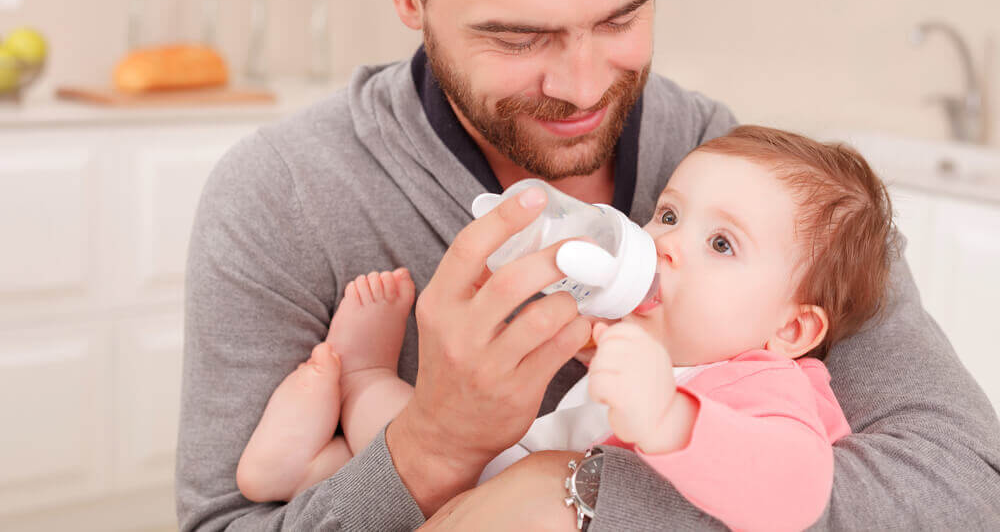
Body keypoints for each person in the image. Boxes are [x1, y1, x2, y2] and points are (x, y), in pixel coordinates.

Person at [175, 0, 1000, 530]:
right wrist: (434, 444)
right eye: (518, 35)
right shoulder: (284, 195)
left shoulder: (761, 189)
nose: (580, 86)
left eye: (620, 19)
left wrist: (570, 494)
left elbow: (965, 488)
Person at [233, 124, 892, 532]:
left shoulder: (764, 382)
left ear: (792, 328)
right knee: (420, 430)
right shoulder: (641, 334)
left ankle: (351, 400)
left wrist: (669, 417)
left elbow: (797, 493)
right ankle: (322, 449)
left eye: (722, 243)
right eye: (668, 215)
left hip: (541, 499)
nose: (665, 244)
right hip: (503, 482)